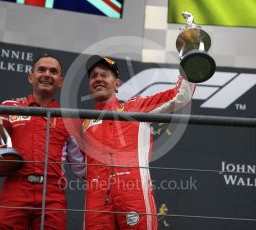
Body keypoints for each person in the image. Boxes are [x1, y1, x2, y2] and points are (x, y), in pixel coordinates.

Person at [80, 55, 195, 229]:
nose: (98, 79)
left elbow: (181, 95)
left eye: (104, 75)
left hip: (134, 193)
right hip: (96, 200)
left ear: (117, 84)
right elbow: (82, 167)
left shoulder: (136, 108)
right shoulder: (84, 124)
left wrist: (190, 58)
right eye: (94, 76)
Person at [0, 54, 85, 230]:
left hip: (52, 193)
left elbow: (81, 167)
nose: (47, 74)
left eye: (53, 71)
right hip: (15, 189)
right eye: (41, 69)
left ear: (61, 81)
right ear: (30, 76)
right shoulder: (10, 107)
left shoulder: (69, 118)